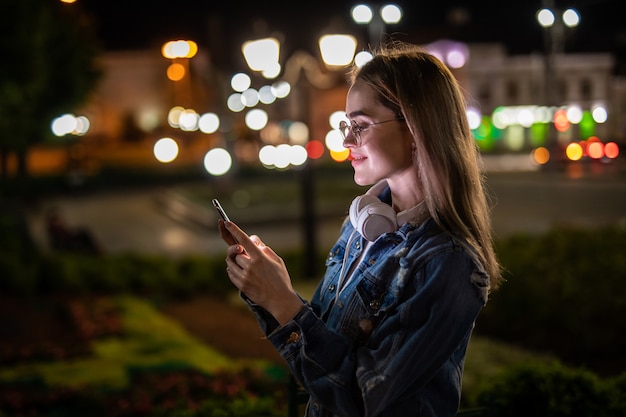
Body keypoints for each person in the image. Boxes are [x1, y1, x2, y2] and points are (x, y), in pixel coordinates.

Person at [219, 41, 502, 417]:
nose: (346, 140)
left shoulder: (448, 263)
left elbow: (362, 398)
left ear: (416, 127)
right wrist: (271, 287)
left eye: (361, 125)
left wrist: (283, 304)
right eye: (346, 124)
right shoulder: (363, 226)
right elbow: (325, 351)